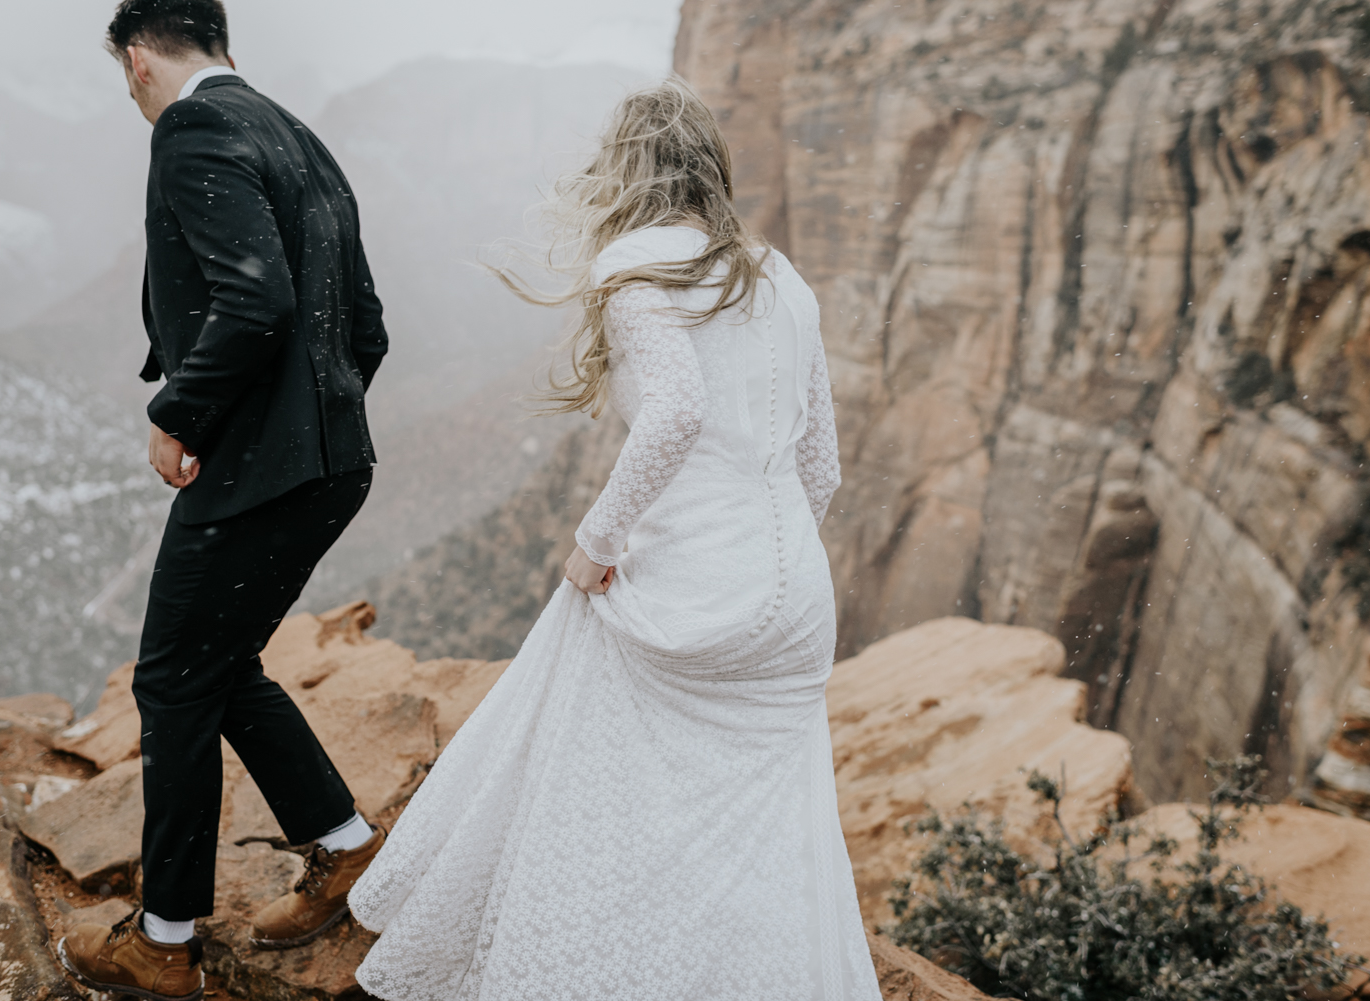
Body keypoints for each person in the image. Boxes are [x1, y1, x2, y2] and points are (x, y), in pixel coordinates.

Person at [348, 79, 883, 1000]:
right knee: (768, 824)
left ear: (626, 172)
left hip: (703, 594)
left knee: (578, 663)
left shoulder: (637, 270)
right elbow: (821, 470)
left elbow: (674, 413)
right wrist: (766, 561)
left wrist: (595, 543)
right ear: (708, 166)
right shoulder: (781, 278)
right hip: (799, 600)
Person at [58, 2, 389, 997]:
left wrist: (185, 417)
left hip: (260, 467)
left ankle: (163, 940)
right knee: (219, 658)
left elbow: (257, 299)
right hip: (332, 461)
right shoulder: (294, 129)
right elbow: (363, 326)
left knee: (169, 676)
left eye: (127, 74)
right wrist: (311, 420)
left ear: (138, 59)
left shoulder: (193, 130)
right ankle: (346, 845)